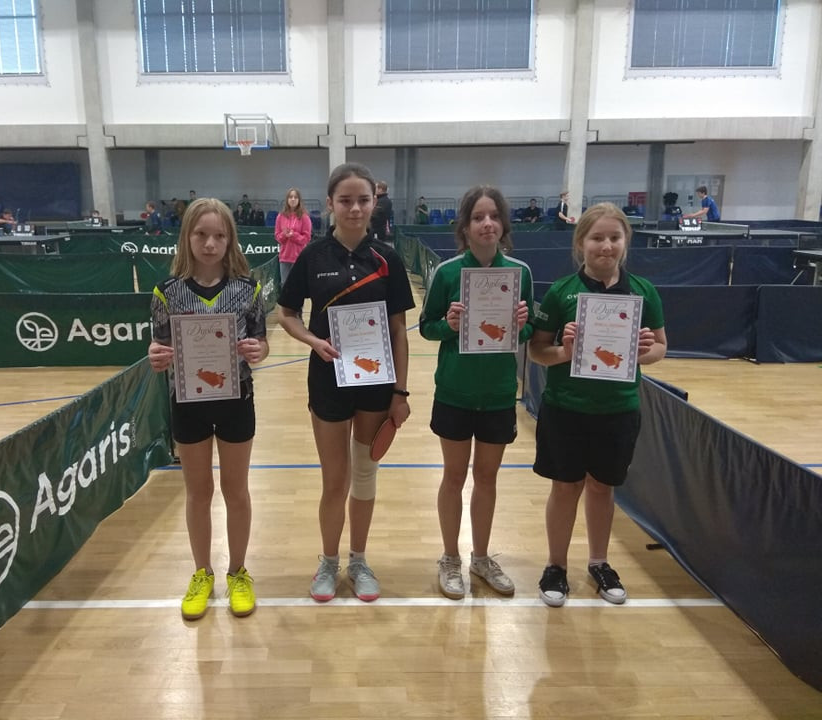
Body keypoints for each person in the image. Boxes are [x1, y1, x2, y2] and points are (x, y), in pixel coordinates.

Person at [277, 163, 414, 603]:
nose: (355, 208)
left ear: (375, 203)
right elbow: (286, 313)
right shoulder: (312, 256)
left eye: (363, 200)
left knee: (365, 475)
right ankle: (329, 562)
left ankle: (358, 560)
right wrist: (312, 340)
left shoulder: (388, 259)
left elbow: (398, 330)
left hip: (376, 384)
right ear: (330, 204)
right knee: (334, 481)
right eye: (345, 200)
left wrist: (400, 392)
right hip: (327, 380)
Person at [527, 202, 667, 608]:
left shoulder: (643, 292)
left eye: (614, 238)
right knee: (565, 487)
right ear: (580, 243)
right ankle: (555, 566)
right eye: (597, 238)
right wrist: (565, 351)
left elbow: (661, 346)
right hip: (565, 408)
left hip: (618, 409)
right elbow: (536, 350)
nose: (606, 246)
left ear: (626, 243)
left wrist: (643, 353)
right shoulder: (561, 292)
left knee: (603, 488)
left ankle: (599, 562)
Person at [147, 198, 269, 621]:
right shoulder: (166, 292)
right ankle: (202, 573)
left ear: (230, 239)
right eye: (201, 234)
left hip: (237, 400)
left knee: (237, 491)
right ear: (187, 237)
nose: (210, 243)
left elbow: (261, 342)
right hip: (187, 403)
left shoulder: (248, 289)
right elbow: (159, 345)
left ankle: (238, 572)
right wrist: (155, 355)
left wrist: (259, 350)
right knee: (198, 493)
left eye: (219, 235)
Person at [419, 186, 534, 600]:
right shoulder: (448, 273)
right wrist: (448, 325)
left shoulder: (519, 273)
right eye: (478, 217)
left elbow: (531, 330)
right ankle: (450, 557)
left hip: (499, 393)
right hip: (455, 391)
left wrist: (522, 324)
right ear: (465, 227)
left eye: (494, 216)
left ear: (503, 225)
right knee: (453, 477)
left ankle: (481, 558)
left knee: (486, 478)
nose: (487, 224)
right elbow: (427, 327)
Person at [274, 187, 312, 285]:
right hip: (284, 258)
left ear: (299, 200)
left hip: (299, 258)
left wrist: (293, 235)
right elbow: (277, 237)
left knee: (299, 286)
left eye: (295, 197)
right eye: (290, 197)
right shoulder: (280, 216)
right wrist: (284, 235)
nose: (293, 199)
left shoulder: (304, 217)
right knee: (285, 285)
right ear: (287, 199)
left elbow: (306, 238)